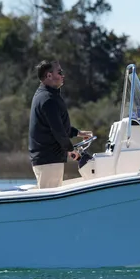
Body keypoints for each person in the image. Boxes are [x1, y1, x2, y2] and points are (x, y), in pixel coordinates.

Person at [28, 60, 92, 189]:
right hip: (48, 161)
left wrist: (78, 133)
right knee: (49, 206)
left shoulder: (47, 95)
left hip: (49, 160)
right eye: (60, 72)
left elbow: (59, 126)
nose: (63, 75)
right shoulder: (48, 99)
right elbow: (58, 131)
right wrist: (70, 149)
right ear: (49, 76)